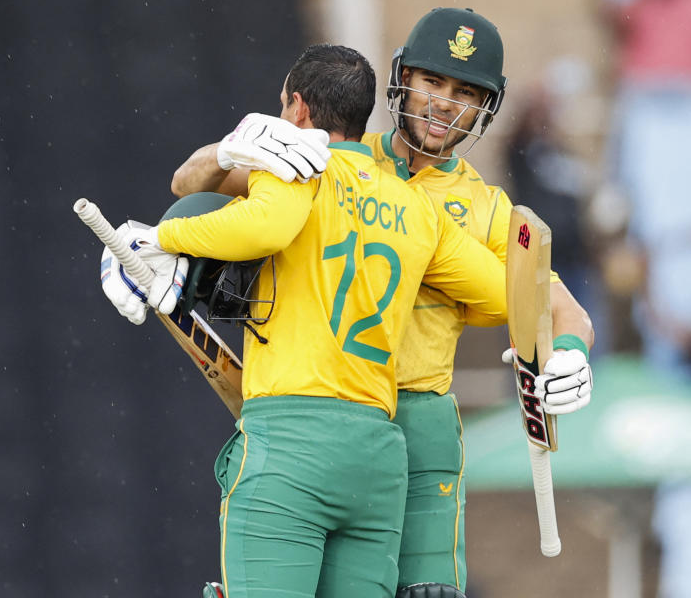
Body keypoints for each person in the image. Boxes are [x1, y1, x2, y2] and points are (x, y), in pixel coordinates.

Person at [169, 9, 595, 597]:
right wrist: (230, 151)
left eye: (465, 93)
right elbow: (191, 187)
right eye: (433, 83)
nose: (445, 104)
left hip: (417, 427)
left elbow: (559, 307)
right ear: (401, 81)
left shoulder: (488, 208)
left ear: (484, 109)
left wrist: (571, 350)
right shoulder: (329, 155)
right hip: (326, 407)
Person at [99, 44, 513, 598]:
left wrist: (158, 239)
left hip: (290, 440)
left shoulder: (290, 171)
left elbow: (265, 226)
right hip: (377, 455)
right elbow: (500, 296)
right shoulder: (421, 211)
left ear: (295, 109)